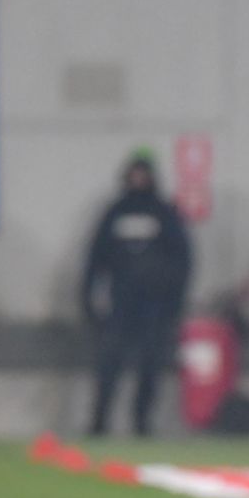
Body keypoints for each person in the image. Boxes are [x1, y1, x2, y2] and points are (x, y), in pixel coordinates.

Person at [82, 152, 192, 436]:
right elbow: (95, 259)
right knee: (109, 363)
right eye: (134, 175)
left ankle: (142, 423)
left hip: (154, 307)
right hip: (120, 304)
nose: (138, 180)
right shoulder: (115, 213)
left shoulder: (164, 213)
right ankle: (100, 421)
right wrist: (88, 300)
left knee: (150, 366)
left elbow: (182, 261)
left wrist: (174, 303)